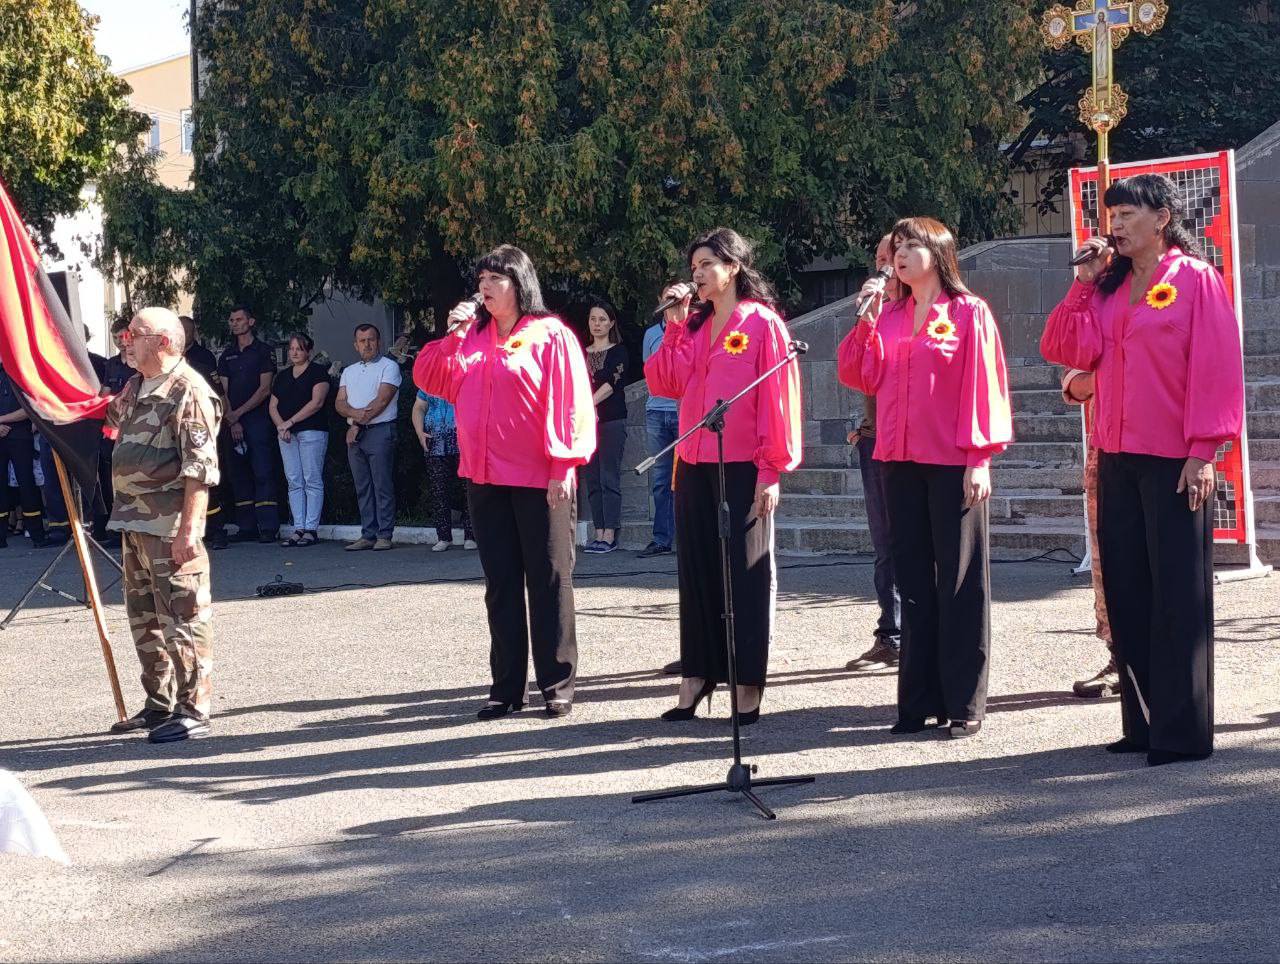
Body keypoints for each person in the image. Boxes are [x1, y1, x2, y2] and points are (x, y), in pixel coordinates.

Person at [1041, 173, 1244, 765]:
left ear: (1162, 219)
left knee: (1178, 594)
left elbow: (1216, 367)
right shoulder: (1107, 287)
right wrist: (1082, 285)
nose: (1117, 225)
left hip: (1175, 458)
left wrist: (1203, 451)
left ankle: (1181, 732)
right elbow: (1065, 349)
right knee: (1128, 590)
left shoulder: (1194, 279)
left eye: (1129, 213)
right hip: (1117, 455)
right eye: (1113, 215)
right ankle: (1142, 724)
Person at [838, 216, 1012, 739]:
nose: (899, 254)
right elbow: (858, 374)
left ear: (937, 252)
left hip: (952, 460)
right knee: (912, 579)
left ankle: (963, 701)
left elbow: (983, 385)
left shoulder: (967, 311)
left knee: (959, 579)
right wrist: (865, 322)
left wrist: (979, 458)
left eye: (910, 245)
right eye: (895, 247)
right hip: (898, 459)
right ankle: (917, 700)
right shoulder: (889, 314)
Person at [414, 244, 595, 719]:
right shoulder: (471, 336)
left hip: (540, 477)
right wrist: (452, 336)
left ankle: (557, 684)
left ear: (519, 284)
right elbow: (430, 378)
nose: (485, 287)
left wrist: (563, 467)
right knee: (500, 583)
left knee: (549, 579)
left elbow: (570, 402)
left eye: (495, 278)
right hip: (485, 475)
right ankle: (507, 688)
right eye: (481, 279)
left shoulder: (550, 334)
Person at [645, 227, 802, 725]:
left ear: (732, 267)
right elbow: (665, 382)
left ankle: (746, 681)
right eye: (693, 267)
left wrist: (770, 470)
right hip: (694, 461)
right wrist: (673, 326)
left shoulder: (762, 323)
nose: (697, 274)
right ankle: (697, 674)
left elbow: (778, 398)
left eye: (706, 264)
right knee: (696, 573)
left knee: (745, 574)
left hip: (743, 464)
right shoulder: (692, 327)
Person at [104, 307, 221, 743]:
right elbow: (106, 418)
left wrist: (190, 530)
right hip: (134, 522)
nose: (125, 341)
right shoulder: (136, 386)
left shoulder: (188, 390)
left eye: (135, 334)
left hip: (169, 525)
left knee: (182, 616)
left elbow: (199, 469)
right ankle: (160, 704)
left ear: (164, 342)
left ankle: (193, 709)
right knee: (145, 618)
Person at [846, 233, 903, 673]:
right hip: (875, 440)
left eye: (892, 257)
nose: (883, 267)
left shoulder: (924, 313)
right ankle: (891, 635)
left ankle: (920, 634)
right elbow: (856, 373)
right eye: (879, 258)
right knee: (885, 545)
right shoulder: (875, 313)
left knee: (911, 544)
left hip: (914, 443)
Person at [1061, 368, 1120, 698]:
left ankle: (1165, 663)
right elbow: (1073, 383)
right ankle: (1120, 657)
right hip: (1107, 453)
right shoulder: (1098, 331)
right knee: (1107, 565)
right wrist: (1113, 374)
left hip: (1162, 449)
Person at [335, 324, 401, 550]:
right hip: (356, 434)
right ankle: (368, 534)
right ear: (355, 345)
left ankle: (384, 534)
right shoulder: (349, 371)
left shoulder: (389, 366)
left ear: (379, 342)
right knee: (362, 485)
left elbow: (382, 401)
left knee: (382, 484)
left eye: (371, 339)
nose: (367, 344)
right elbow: (339, 403)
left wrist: (355, 423)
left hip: (380, 431)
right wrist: (355, 419)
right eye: (362, 341)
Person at [217, 305, 279, 542]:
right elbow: (222, 391)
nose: (235, 323)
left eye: (239, 319)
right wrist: (231, 418)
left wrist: (239, 414)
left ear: (251, 322)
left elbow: (265, 389)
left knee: (262, 470)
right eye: (232, 320)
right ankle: (246, 526)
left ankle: (268, 526)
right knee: (238, 473)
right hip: (232, 421)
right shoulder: (227, 355)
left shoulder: (263, 351)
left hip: (257, 419)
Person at [270, 332, 331, 547]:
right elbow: (273, 405)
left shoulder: (318, 372)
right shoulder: (282, 376)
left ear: (309, 351)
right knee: (294, 480)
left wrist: (290, 422)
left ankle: (311, 528)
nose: (295, 353)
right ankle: (298, 527)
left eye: (299, 349)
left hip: (311, 431)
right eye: (292, 349)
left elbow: (316, 403)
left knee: (311, 478)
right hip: (286, 434)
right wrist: (281, 426)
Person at [581, 298, 629, 553]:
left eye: (602, 319)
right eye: (593, 319)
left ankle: (609, 534)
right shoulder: (581, 352)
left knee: (609, 476)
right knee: (592, 478)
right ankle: (598, 531)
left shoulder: (618, 351)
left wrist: (587, 405)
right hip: (585, 425)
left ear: (611, 323)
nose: (597, 324)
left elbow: (611, 384)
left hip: (611, 421)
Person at [180, 315, 229, 549]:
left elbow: (220, 398)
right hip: (175, 433)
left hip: (200, 430)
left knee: (206, 480)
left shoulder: (202, 362)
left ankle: (217, 530)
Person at [411, 387, 476, 551]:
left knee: (468, 489)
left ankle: (471, 536)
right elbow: (419, 407)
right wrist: (419, 432)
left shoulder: (465, 377)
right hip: (435, 443)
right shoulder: (428, 382)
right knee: (439, 490)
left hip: (464, 443)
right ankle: (443, 537)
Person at [0, 361, 49, 548]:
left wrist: (1, 420)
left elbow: (29, 408)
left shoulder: (22, 373)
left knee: (27, 484)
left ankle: (36, 534)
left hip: (20, 436)